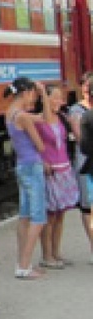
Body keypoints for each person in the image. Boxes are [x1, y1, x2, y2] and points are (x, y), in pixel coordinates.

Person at [3, 76, 48, 280]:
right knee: (38, 217)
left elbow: (42, 117)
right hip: (33, 165)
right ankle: (24, 266)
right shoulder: (23, 117)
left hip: (21, 165)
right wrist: (45, 96)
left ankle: (22, 261)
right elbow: (40, 144)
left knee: (24, 216)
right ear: (26, 92)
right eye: (33, 92)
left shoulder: (11, 113)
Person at [36, 83, 80, 268]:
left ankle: (56, 252)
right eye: (55, 97)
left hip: (63, 169)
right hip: (50, 170)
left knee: (60, 215)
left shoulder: (62, 118)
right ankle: (47, 256)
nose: (59, 101)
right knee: (50, 215)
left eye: (60, 98)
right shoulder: (39, 120)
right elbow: (34, 144)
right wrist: (41, 161)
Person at [66, 71, 93, 264]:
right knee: (88, 207)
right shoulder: (76, 111)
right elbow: (80, 139)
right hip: (86, 163)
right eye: (86, 86)